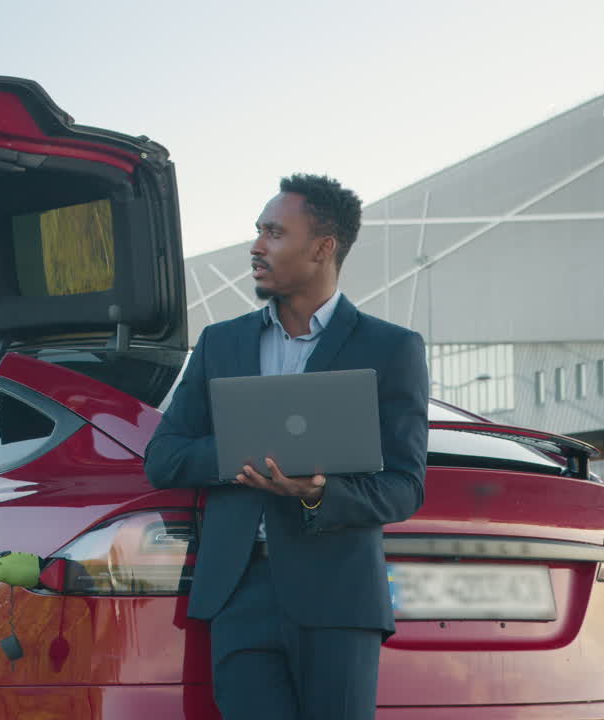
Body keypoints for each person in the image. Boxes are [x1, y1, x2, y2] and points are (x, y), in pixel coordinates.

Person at [144, 173, 429, 720]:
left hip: (338, 598)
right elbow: (164, 458)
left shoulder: (391, 349)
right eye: (258, 231)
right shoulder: (220, 343)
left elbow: (404, 487)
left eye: (274, 233)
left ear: (323, 247)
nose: (256, 246)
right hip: (237, 592)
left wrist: (316, 492)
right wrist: (249, 452)